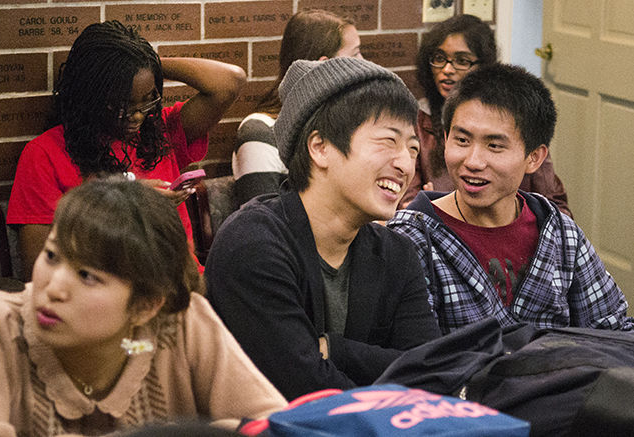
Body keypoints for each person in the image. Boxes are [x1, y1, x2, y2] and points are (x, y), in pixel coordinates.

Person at [0, 177, 286, 436]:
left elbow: (272, 426)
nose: (52, 288)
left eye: (87, 275)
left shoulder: (179, 324)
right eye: (51, 256)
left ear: (146, 306)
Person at [206, 57, 442, 401]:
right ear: (321, 148)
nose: (405, 163)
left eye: (412, 148)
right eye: (388, 142)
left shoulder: (396, 252)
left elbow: (432, 372)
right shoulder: (253, 244)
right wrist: (390, 379)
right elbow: (305, 390)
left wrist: (337, 350)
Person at [388, 63, 634, 334]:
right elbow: (418, 359)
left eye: (494, 145)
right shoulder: (412, 239)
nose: (473, 161)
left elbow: (612, 331)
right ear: (445, 139)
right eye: (461, 140)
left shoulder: (561, 235)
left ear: (534, 157)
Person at [7, 20, 246, 279]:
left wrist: (144, 63)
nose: (138, 117)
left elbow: (229, 81)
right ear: (91, 95)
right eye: (123, 104)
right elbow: (39, 269)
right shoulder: (44, 154)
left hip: (184, 289)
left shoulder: (161, 132)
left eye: (147, 100)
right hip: (110, 299)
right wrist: (123, 204)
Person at [398, 14, 571, 216]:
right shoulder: (417, 121)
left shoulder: (518, 120)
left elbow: (556, 206)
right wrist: (434, 207)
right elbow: (405, 203)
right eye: (439, 59)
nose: (447, 69)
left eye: (461, 61)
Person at [232, 9, 362, 206]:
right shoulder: (261, 132)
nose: (364, 63)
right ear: (324, 66)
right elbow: (262, 222)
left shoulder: (342, 124)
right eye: (356, 54)